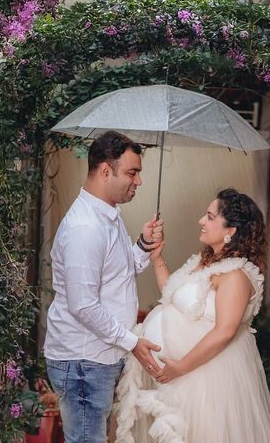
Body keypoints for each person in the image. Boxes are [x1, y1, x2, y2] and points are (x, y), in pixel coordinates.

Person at [114, 188, 270, 443]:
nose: (201, 221)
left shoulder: (235, 276)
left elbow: (225, 331)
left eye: (210, 217)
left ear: (231, 231)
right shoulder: (204, 262)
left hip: (205, 378)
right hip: (181, 377)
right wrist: (157, 258)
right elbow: (173, 295)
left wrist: (180, 367)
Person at [44, 131, 164, 443]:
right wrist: (131, 342)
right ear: (105, 171)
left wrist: (143, 245)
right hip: (83, 360)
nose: (138, 181)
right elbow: (83, 304)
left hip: (96, 358)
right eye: (132, 173)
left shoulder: (106, 217)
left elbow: (118, 276)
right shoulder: (86, 227)